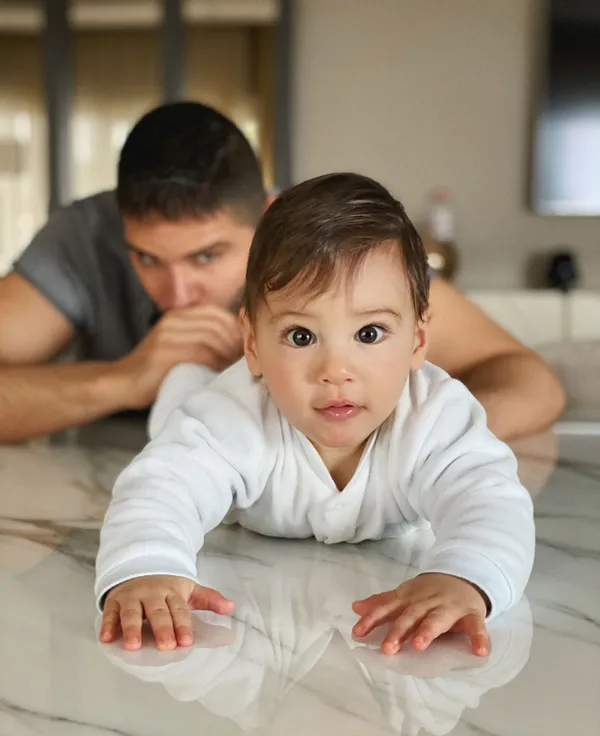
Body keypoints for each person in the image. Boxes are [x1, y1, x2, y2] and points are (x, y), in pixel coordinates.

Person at [95, 173, 535, 657]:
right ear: (252, 343)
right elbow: (163, 486)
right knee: (179, 406)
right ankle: (187, 375)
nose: (335, 371)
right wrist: (147, 566)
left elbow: (490, 499)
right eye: (301, 336)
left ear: (418, 339)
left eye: (369, 333)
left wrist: (464, 576)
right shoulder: (233, 416)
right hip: (199, 398)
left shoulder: (436, 415)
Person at [0, 102, 564, 446]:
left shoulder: (319, 241)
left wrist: (411, 443)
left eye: (207, 257)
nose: (177, 294)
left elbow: (531, 382)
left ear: (268, 216)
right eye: (147, 259)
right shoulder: (82, 237)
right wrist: (126, 378)